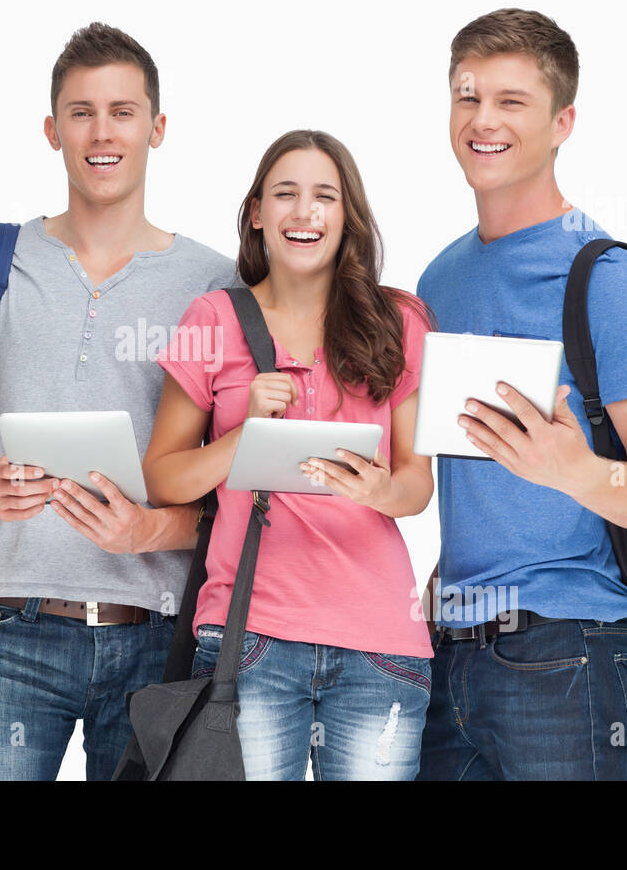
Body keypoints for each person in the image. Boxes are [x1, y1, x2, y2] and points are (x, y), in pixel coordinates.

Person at [0, 22, 236, 780]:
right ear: (52, 128)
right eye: (82, 112)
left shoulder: (216, 283)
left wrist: (150, 531)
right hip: (8, 625)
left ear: (157, 128)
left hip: (156, 634)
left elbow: (241, 485)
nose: (103, 133)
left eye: (124, 112)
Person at [416, 8, 627, 780]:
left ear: (562, 121)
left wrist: (573, 470)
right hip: (449, 651)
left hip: (568, 648)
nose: (483, 120)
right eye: (468, 97)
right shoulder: (441, 279)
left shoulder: (605, 278)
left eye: (512, 101)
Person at [143, 129, 435, 780]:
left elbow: (418, 484)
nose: (304, 212)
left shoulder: (401, 320)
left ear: (346, 216)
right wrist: (242, 436)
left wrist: (378, 489)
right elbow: (164, 477)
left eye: (324, 196)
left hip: (379, 645)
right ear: (257, 214)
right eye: (286, 194)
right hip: (249, 640)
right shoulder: (213, 318)